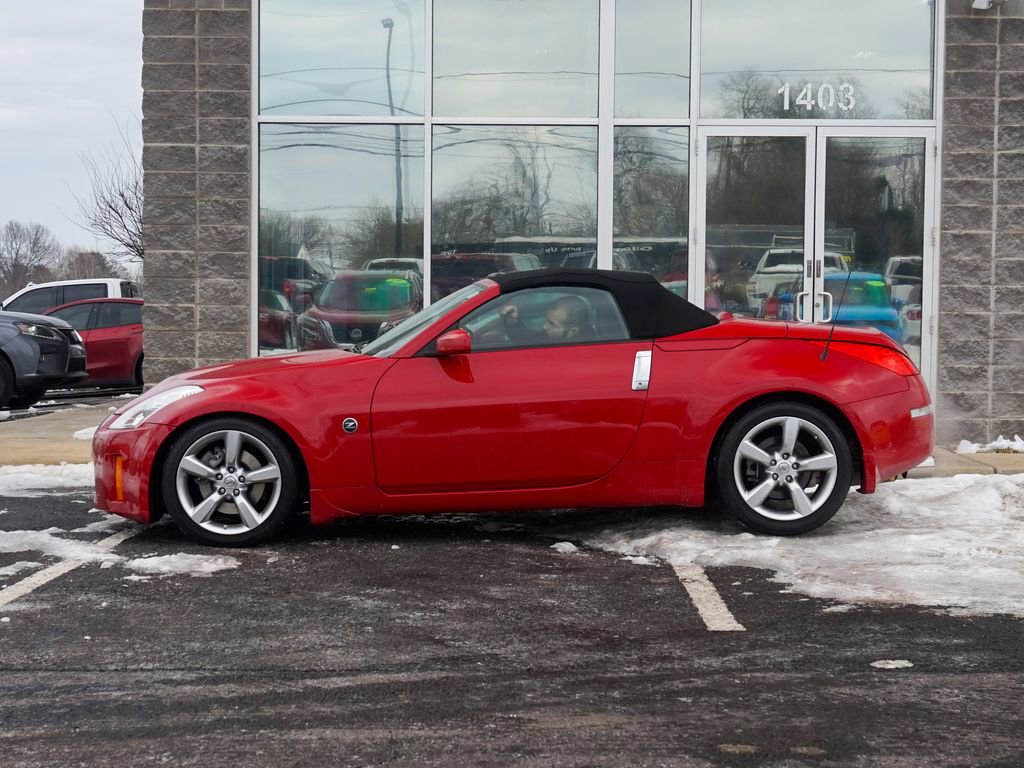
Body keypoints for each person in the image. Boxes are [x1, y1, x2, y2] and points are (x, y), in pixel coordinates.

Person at [499, 294, 595, 344]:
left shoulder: (581, 354)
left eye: (552, 324)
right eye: (547, 320)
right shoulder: (556, 338)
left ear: (573, 331)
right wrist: (513, 320)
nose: (545, 326)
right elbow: (528, 340)